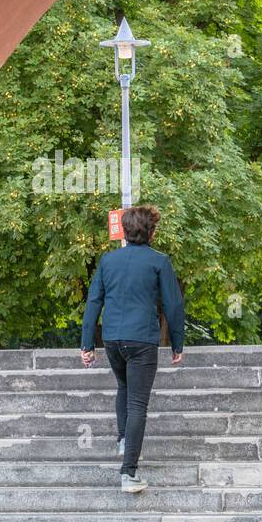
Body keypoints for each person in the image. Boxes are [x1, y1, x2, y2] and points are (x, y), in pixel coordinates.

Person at [79, 205, 185, 493]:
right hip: (142, 340)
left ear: (125, 231)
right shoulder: (159, 261)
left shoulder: (108, 261)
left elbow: (94, 302)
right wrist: (178, 343)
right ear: (150, 232)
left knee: (124, 388)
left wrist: (87, 343)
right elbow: (173, 304)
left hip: (113, 339)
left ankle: (124, 441)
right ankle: (129, 472)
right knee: (138, 402)